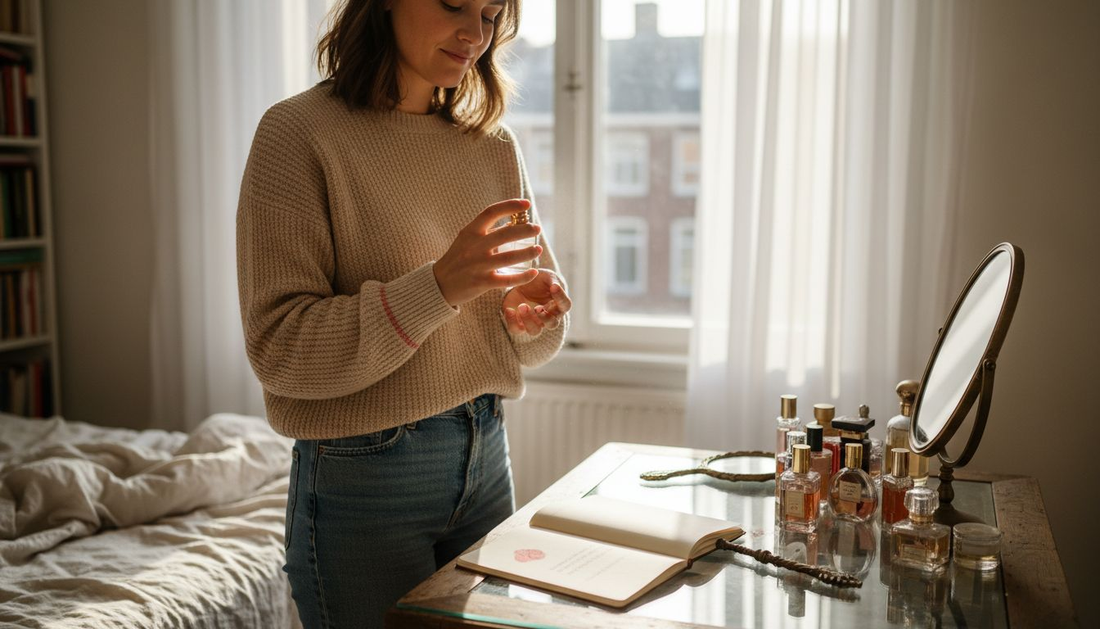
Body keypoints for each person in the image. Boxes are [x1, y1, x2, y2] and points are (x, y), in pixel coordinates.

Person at [235, 0, 571, 626]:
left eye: (492, 13)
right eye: (453, 5)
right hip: (363, 480)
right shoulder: (298, 134)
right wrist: (439, 286)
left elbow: (529, 340)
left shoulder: (492, 144)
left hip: (486, 452)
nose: (475, 33)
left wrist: (530, 320)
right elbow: (279, 349)